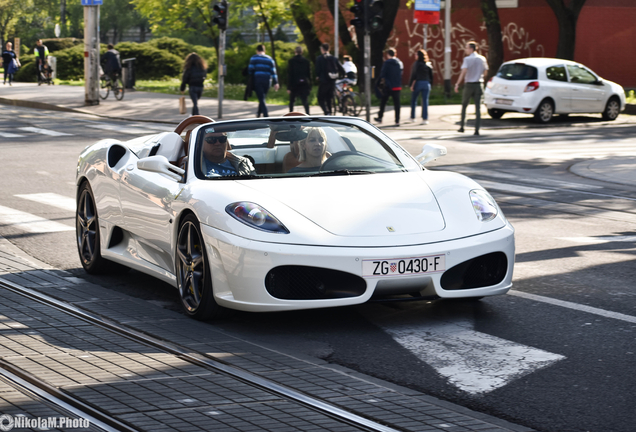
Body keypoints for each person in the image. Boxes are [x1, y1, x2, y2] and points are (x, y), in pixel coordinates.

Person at [455, 41, 488, 135]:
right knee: (478, 107)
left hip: (469, 84)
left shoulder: (467, 59)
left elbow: (463, 72)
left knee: (464, 105)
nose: (465, 49)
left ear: (471, 49)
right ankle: (477, 129)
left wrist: (457, 83)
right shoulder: (482, 59)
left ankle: (462, 126)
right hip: (479, 84)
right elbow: (486, 71)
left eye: (466, 47)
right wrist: (481, 77)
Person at [248, 45, 279, 118]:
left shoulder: (254, 58)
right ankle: (258, 114)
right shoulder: (270, 59)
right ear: (264, 51)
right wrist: (276, 83)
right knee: (262, 97)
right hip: (267, 81)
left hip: (257, 80)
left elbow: (250, 70)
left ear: (257, 50)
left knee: (261, 98)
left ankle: (266, 115)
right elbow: (274, 72)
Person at [374, 49, 403, 126]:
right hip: (397, 86)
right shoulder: (400, 63)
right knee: (397, 104)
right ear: (395, 54)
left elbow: (382, 74)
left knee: (383, 102)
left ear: (388, 55)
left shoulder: (387, 63)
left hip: (388, 86)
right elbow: (401, 73)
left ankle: (380, 117)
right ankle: (397, 121)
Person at [315, 43, 344, 115]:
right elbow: (341, 68)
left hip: (324, 81)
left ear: (322, 49)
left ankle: (326, 111)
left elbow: (317, 70)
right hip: (332, 81)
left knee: (320, 98)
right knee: (329, 98)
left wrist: (318, 76)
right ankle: (330, 113)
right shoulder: (334, 58)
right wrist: (342, 76)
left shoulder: (319, 58)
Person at [409, 49, 434, 125]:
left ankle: (413, 117)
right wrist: (430, 84)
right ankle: (425, 118)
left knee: (414, 100)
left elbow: (414, 75)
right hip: (426, 84)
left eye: (416, 54)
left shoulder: (416, 64)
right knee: (425, 102)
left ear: (419, 56)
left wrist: (411, 85)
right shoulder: (428, 64)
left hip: (418, 83)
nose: (415, 56)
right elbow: (431, 76)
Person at [287, 46, 311, 114]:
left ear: (295, 52)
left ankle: (290, 114)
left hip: (294, 84)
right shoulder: (306, 61)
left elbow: (290, 74)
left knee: (292, 101)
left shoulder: (291, 61)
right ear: (302, 52)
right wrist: (310, 85)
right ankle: (308, 114)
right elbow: (309, 74)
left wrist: (289, 87)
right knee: (305, 101)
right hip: (304, 83)